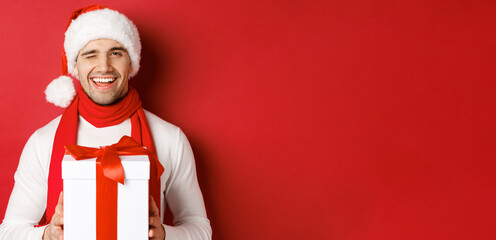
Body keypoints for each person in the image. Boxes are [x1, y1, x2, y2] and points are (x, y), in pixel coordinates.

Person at [0, 4, 212, 240]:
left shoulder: (170, 139)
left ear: (131, 63)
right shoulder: (43, 142)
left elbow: (200, 229)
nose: (104, 67)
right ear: (75, 66)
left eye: (116, 53)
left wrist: (163, 235)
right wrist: (47, 235)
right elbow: (9, 231)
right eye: (90, 54)